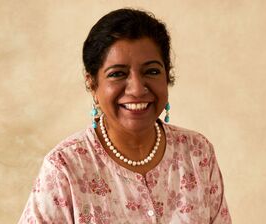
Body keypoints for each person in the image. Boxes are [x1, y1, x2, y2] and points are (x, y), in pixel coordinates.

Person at [19, 8, 231, 224]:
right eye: (117, 74)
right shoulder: (64, 168)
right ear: (92, 83)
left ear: (167, 75)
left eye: (152, 71)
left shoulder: (197, 153)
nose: (137, 89)